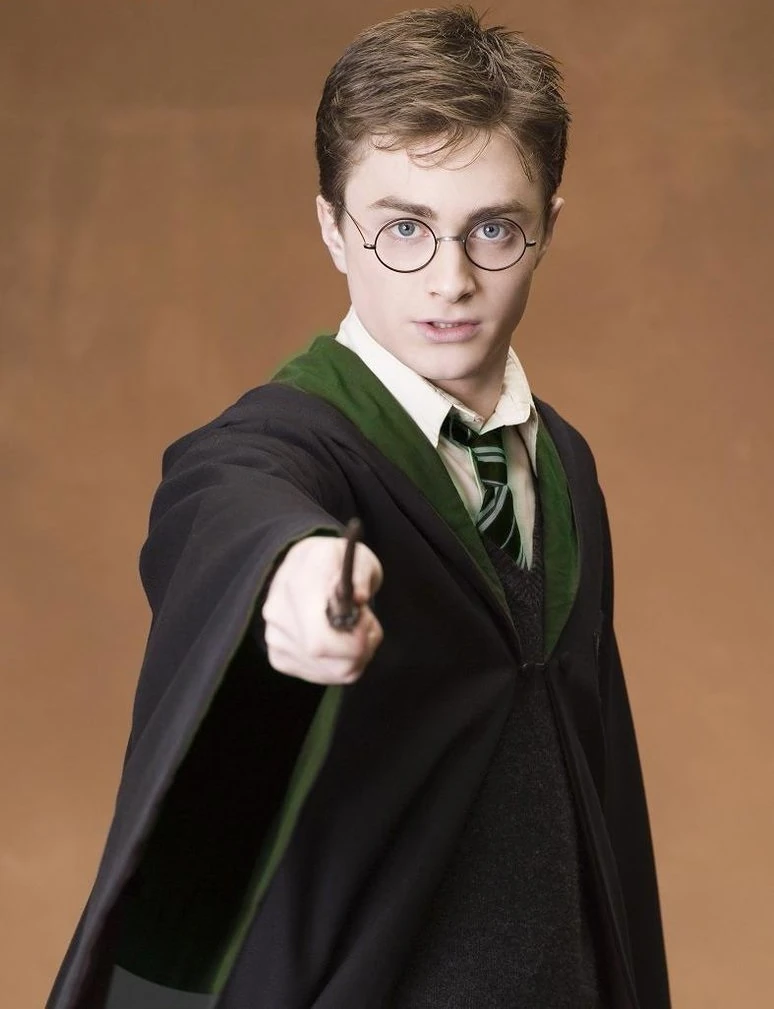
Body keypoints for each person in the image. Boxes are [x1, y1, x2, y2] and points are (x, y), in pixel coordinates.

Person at [47, 6, 671, 1008]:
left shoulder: (564, 463)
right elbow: (229, 497)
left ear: (548, 227)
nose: (450, 280)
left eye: (493, 229)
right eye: (403, 229)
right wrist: (288, 576)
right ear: (334, 229)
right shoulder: (290, 439)